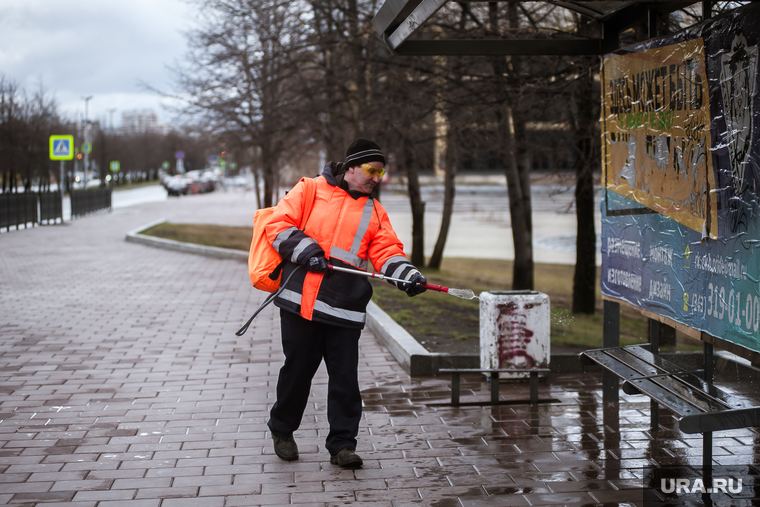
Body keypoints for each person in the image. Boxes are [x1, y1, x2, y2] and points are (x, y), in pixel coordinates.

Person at [264, 138, 427, 468]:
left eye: (381, 173)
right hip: (301, 304)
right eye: (372, 170)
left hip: (344, 309)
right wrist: (307, 251)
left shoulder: (375, 212)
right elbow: (276, 225)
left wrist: (407, 275)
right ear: (352, 166)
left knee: (344, 379)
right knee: (297, 372)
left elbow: (387, 252)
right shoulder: (310, 190)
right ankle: (282, 430)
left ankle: (342, 445)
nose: (376, 178)